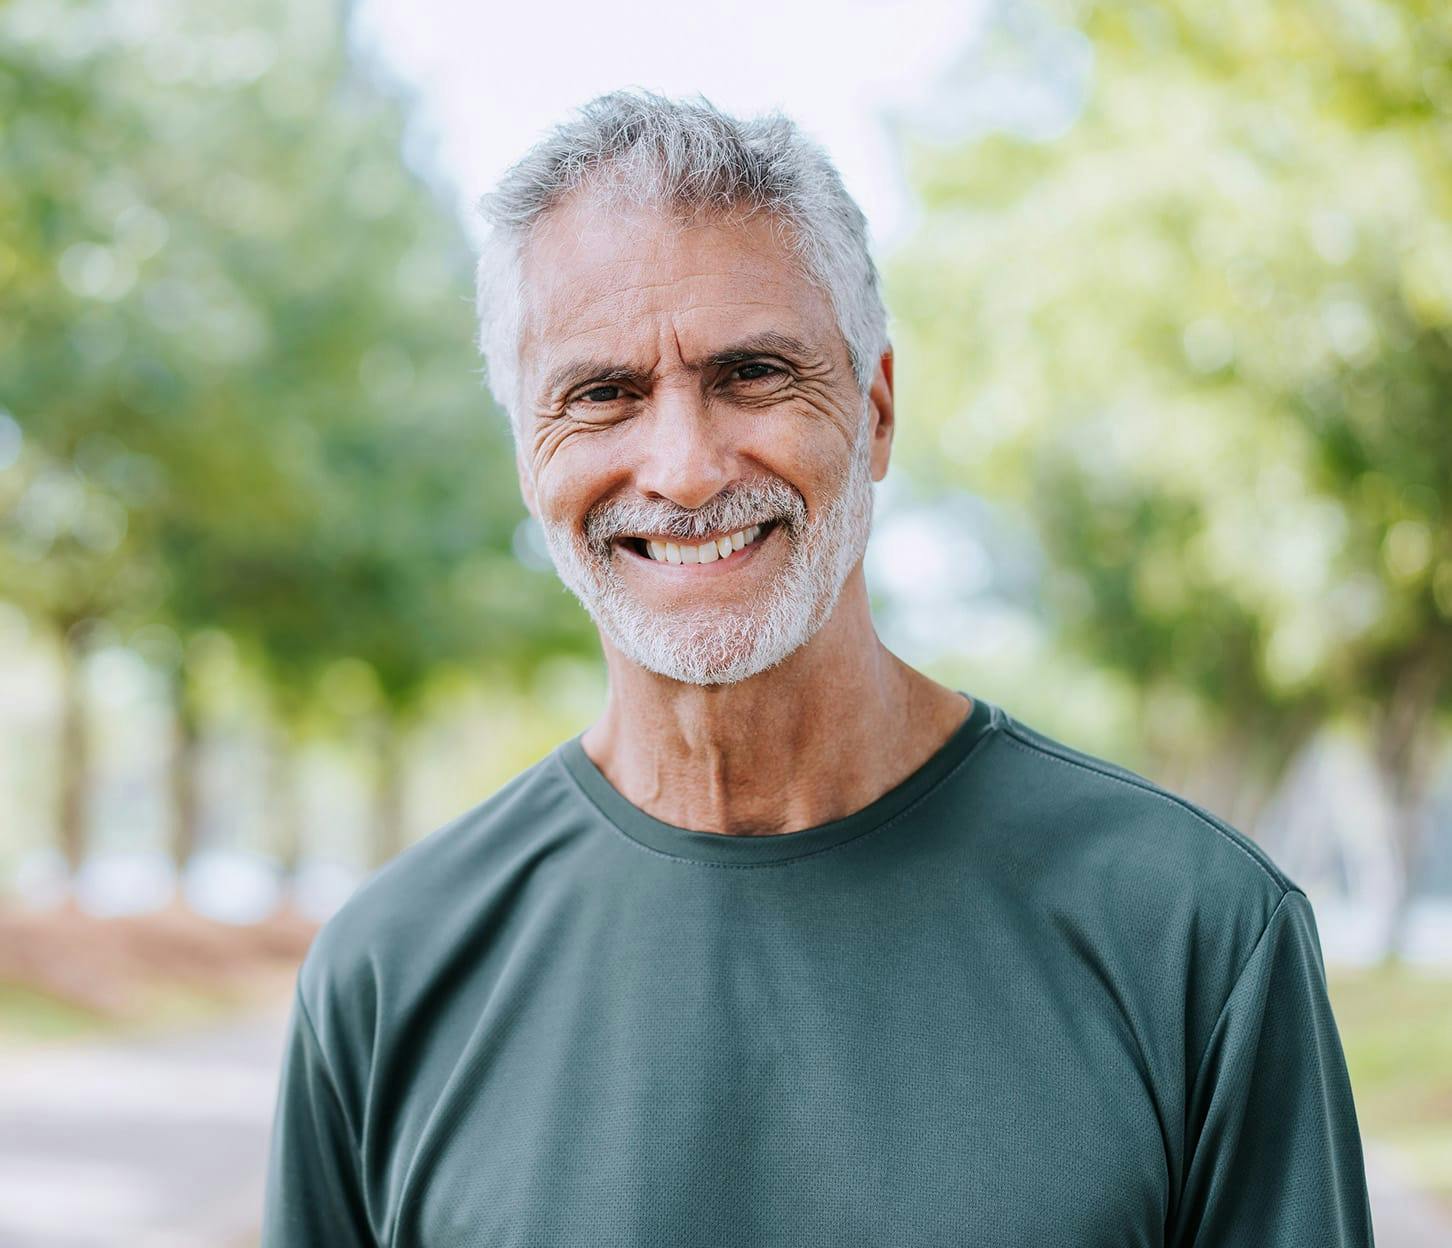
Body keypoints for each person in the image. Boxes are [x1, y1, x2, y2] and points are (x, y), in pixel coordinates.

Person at [261, 91, 1374, 1246]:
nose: (685, 469)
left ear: (877, 410)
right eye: (604, 394)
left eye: (751, 374)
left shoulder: (1191, 934)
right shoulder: (391, 974)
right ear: (527, 452)